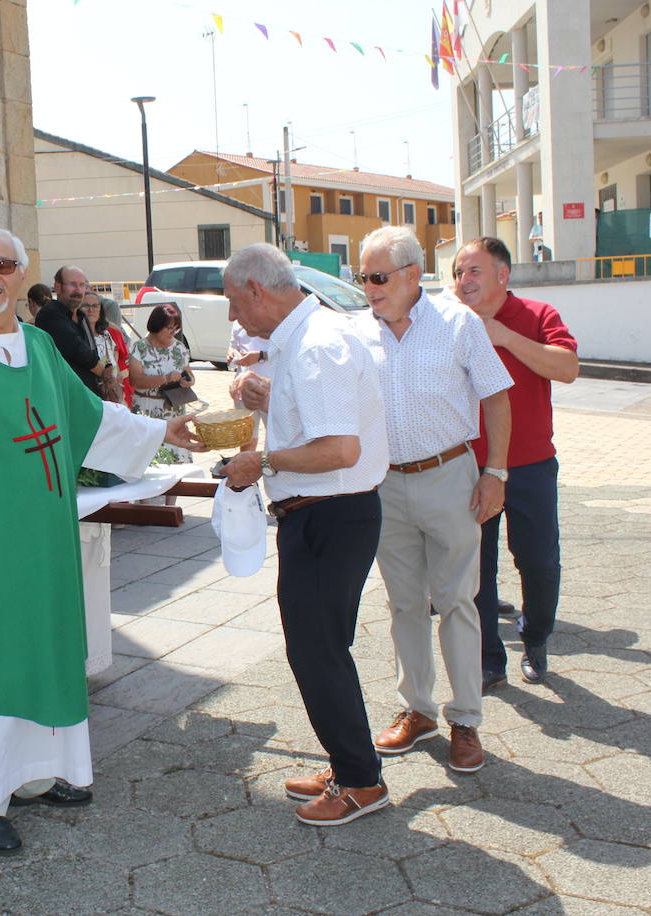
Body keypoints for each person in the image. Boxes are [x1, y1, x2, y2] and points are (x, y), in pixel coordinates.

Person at [0, 227, 203, 855]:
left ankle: (33, 775)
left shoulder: (43, 349)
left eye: (5, 266)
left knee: (42, 646)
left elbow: (91, 418)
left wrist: (167, 434)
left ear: (22, 274)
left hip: (43, 539)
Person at [220, 243, 389, 826]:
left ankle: (361, 781)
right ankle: (350, 764)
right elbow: (325, 422)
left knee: (317, 651)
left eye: (233, 304)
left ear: (255, 290)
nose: (234, 319)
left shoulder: (318, 343)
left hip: (329, 515)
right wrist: (272, 399)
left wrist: (259, 464)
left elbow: (339, 449)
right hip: (328, 514)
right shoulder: (307, 335)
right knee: (323, 649)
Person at [354, 226, 513, 775]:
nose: (369, 289)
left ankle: (465, 719)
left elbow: (496, 396)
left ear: (411, 274)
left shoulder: (457, 323)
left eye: (377, 277)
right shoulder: (357, 331)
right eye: (363, 277)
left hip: (450, 476)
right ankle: (416, 709)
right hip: (384, 485)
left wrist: (496, 472)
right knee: (403, 605)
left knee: (457, 602)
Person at [455, 237, 579, 688]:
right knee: (476, 568)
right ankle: (489, 659)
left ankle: (536, 637)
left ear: (503, 275)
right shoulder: (449, 319)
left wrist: (503, 335)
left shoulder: (538, 315)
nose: (463, 281)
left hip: (531, 466)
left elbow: (566, 368)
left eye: (474, 271)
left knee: (539, 561)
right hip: (468, 466)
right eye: (458, 272)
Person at [129, 304, 196, 469]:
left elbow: (189, 373)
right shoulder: (140, 347)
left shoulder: (179, 348)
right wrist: (165, 378)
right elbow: (135, 381)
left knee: (176, 462)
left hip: (174, 409)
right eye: (169, 329)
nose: (173, 333)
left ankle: (172, 495)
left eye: (176, 329)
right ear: (156, 326)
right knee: (150, 462)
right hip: (147, 409)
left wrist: (189, 381)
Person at [35, 266, 107, 396]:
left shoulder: (81, 316)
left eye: (82, 285)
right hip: (63, 397)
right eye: (72, 285)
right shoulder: (50, 315)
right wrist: (105, 375)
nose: (78, 290)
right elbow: (79, 351)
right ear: (57, 287)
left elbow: (92, 352)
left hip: (89, 396)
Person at [228, 319, 272, 451]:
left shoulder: (275, 317)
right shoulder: (238, 321)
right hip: (243, 387)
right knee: (246, 437)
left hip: (270, 387)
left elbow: (287, 351)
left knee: (276, 437)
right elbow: (234, 345)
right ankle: (247, 469)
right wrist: (231, 353)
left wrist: (260, 356)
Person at [79, 290, 126, 404]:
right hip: (89, 394)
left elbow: (114, 362)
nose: (91, 310)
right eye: (86, 306)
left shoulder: (106, 334)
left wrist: (118, 379)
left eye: (95, 306)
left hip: (110, 393)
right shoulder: (77, 337)